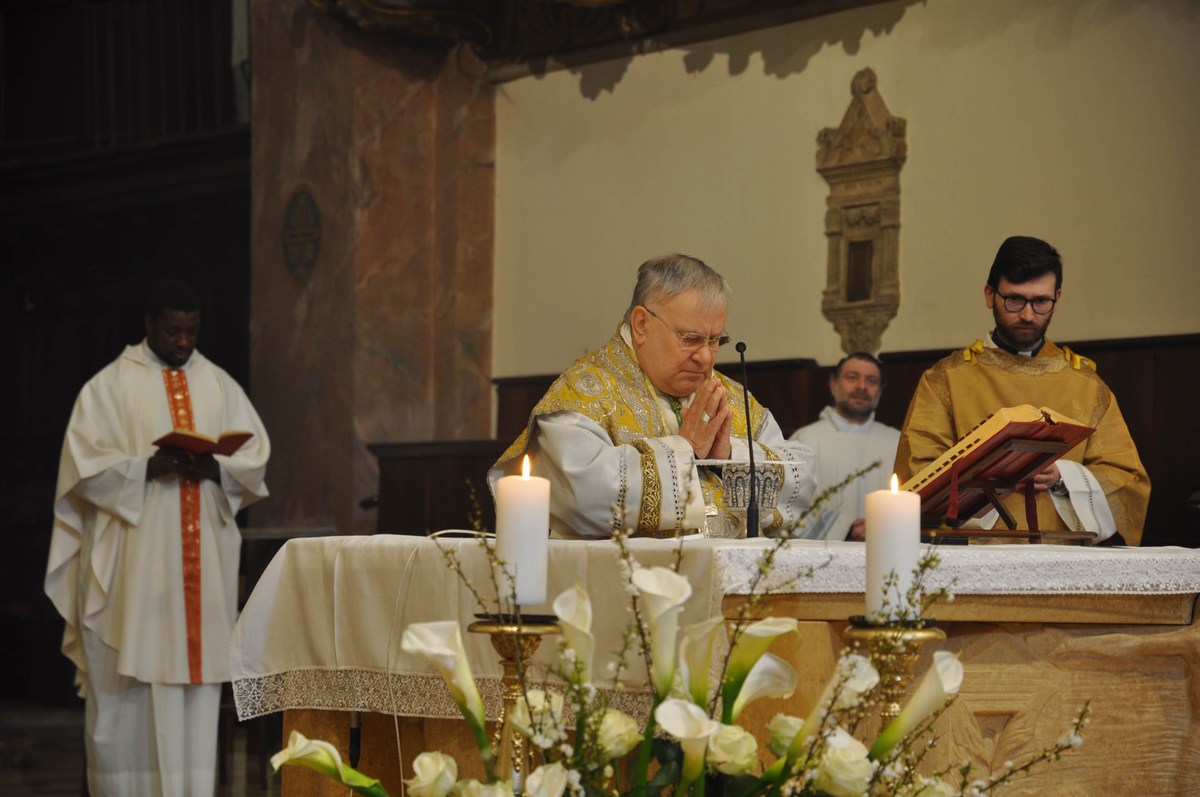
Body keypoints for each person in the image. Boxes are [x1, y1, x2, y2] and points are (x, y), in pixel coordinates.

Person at [44, 281, 271, 796]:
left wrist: (215, 466)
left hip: (201, 578)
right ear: (148, 323)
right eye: (173, 330)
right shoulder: (108, 388)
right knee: (127, 704)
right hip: (134, 580)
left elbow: (254, 458)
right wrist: (145, 469)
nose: (184, 341)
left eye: (192, 330)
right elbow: (81, 469)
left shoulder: (219, 385)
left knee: (193, 703)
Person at [489, 254, 817, 539]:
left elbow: (804, 484)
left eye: (716, 340)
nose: (706, 357)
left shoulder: (729, 398)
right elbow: (580, 495)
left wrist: (731, 455)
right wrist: (685, 449)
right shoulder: (585, 394)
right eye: (691, 338)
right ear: (642, 323)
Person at [893, 236, 1150, 544]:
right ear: (990, 295)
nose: (1028, 315)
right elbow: (919, 474)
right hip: (974, 561)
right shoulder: (946, 380)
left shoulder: (1086, 384)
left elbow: (1127, 479)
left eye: (1041, 301)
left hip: (1067, 560)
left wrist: (1064, 476)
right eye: (1014, 300)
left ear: (1058, 297)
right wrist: (994, 471)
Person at [789, 352, 900, 541]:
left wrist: (882, 526)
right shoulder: (803, 440)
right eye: (852, 377)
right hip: (819, 558)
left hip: (886, 549)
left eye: (872, 381)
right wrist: (845, 528)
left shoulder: (898, 443)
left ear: (880, 391)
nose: (862, 386)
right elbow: (788, 508)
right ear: (833, 385)